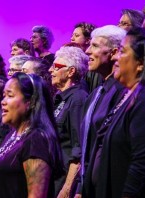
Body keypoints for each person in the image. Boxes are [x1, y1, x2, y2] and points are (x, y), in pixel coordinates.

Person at [92, 28, 145, 198]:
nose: (115, 57)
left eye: (122, 51)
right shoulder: (126, 95)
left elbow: (143, 164)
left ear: (141, 63)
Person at [0, 72, 63, 198]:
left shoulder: (36, 140)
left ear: (30, 102)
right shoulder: (12, 136)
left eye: (10, 95)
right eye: (3, 96)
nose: (3, 102)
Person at [77, 25, 126, 197]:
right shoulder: (95, 93)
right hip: (89, 186)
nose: (88, 51)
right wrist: (79, 187)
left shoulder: (122, 91)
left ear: (113, 53)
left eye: (95, 46)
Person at [48, 46, 88, 197]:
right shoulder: (58, 99)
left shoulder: (78, 99)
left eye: (56, 66)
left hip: (63, 181)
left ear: (71, 71)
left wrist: (67, 188)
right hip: (52, 177)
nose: (51, 70)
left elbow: (78, 149)